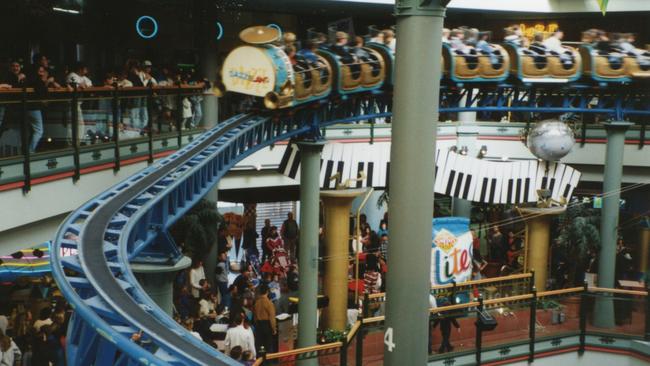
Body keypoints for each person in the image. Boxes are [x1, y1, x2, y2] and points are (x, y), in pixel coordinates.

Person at [253, 284, 276, 354]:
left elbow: (255, 317)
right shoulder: (269, 303)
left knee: (261, 346)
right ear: (267, 291)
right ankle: (268, 361)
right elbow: (272, 318)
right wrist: (274, 329)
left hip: (258, 325)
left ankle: (261, 360)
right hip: (267, 325)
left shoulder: (256, 303)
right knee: (268, 345)